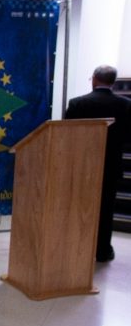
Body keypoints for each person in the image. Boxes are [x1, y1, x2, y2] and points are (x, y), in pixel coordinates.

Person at [65, 65, 131, 262]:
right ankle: (102, 250)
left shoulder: (77, 104)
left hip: (82, 166)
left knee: (79, 207)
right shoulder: (125, 105)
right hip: (111, 165)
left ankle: (78, 248)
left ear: (94, 79)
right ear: (113, 82)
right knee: (106, 208)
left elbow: (66, 135)